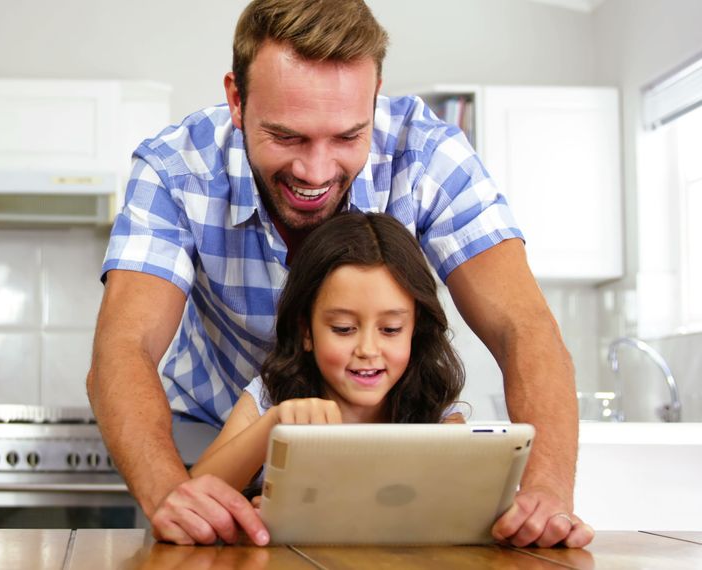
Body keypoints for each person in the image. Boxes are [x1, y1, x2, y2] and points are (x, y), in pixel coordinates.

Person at [87, 0, 593, 549]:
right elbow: (125, 345)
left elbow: (524, 326)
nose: (316, 171)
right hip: (208, 437)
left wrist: (544, 491)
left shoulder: (428, 156)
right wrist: (170, 493)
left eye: (348, 137)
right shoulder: (175, 168)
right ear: (237, 99)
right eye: (287, 136)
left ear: (375, 99)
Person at [189, 211, 467, 494]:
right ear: (306, 332)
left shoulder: (438, 412)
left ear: (415, 329)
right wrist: (272, 426)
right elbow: (195, 496)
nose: (368, 350)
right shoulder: (268, 400)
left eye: (391, 329)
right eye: (344, 329)